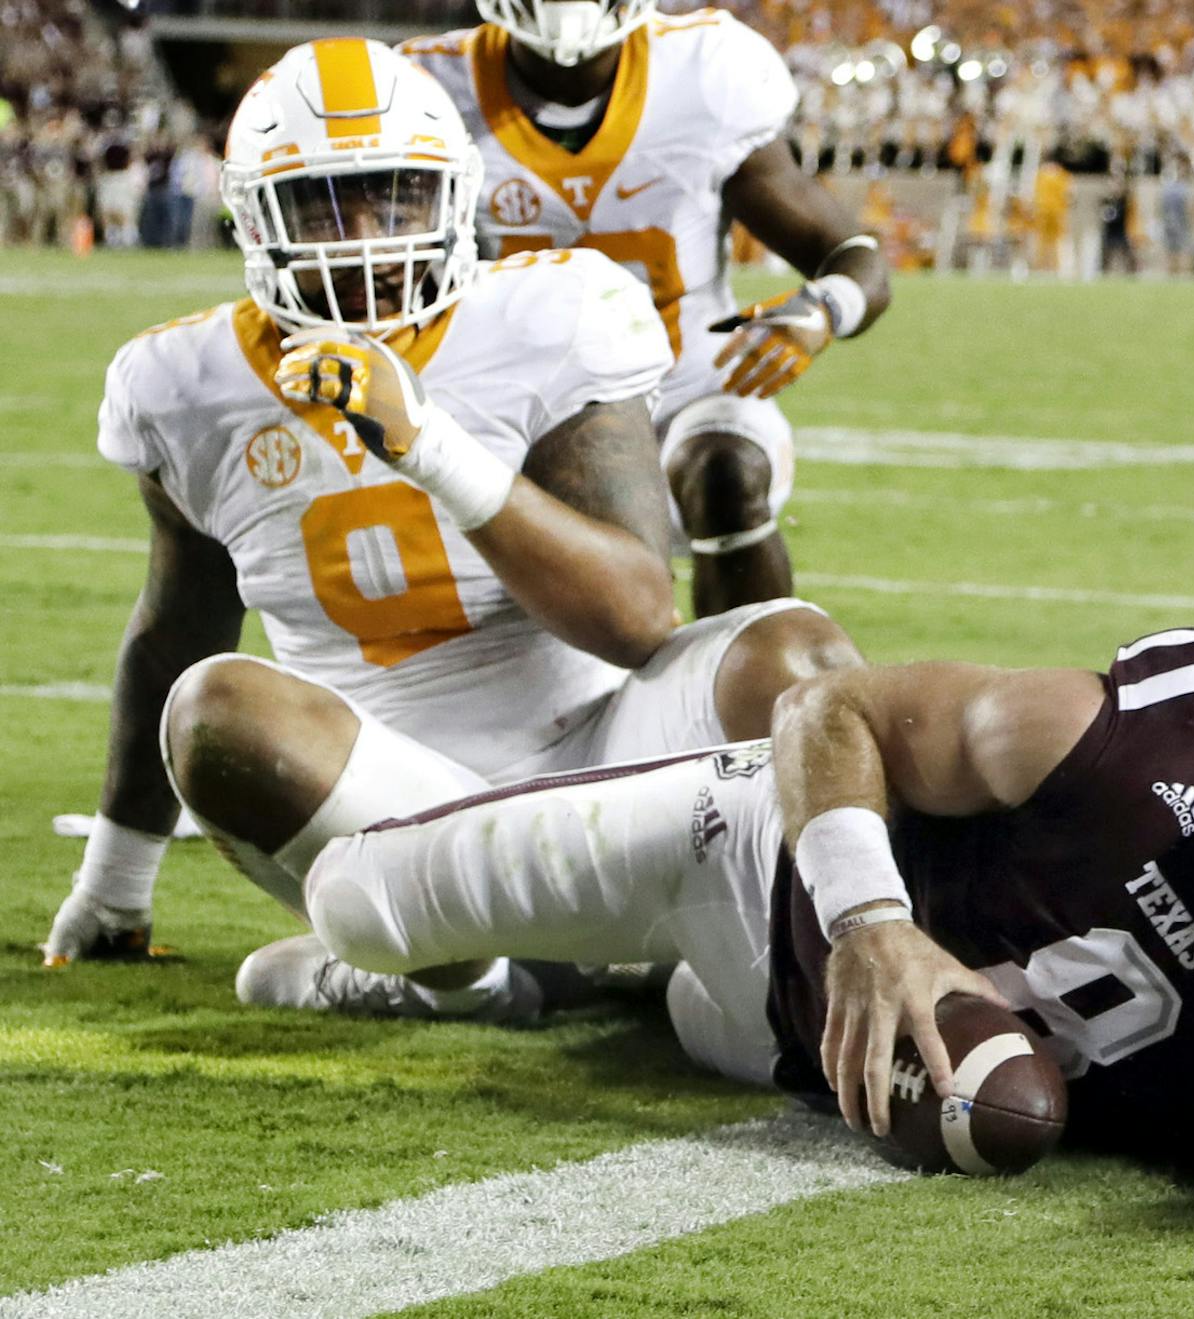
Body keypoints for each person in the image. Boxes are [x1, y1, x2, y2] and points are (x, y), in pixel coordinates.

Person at [39, 40, 860, 1015]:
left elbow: (638, 617)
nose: (364, 240)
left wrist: (428, 446)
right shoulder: (188, 384)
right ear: (257, 219)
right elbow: (177, 626)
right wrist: (114, 883)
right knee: (210, 710)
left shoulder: (548, 314)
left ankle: (871, 924)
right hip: (392, 803)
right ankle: (475, 981)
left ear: (455, 197)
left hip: (603, 758)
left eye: (396, 199)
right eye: (322, 207)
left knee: (795, 654)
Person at [297, 629, 1194, 1214]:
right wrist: (868, 917)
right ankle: (483, 963)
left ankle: (571, 976)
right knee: (357, 906)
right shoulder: (1172, 734)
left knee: (683, 1006)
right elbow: (829, 709)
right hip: (760, 864)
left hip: (802, 1058)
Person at [400, 1, 893, 619]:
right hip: (519, 408)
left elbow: (850, 253)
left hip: (686, 393)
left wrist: (822, 310)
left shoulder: (705, 71)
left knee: (727, 473)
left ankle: (755, 673)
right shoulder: (424, 88)